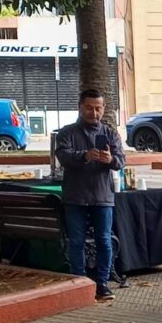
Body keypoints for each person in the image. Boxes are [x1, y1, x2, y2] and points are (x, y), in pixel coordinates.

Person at [54, 88, 126, 302]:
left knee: (104, 240)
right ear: (80, 108)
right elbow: (63, 156)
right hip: (75, 196)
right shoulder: (67, 132)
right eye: (89, 108)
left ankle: (102, 283)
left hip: (102, 196)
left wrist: (110, 160)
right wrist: (84, 156)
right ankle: (79, 282)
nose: (94, 113)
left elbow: (121, 161)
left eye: (98, 108)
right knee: (76, 241)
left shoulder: (111, 133)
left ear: (104, 108)